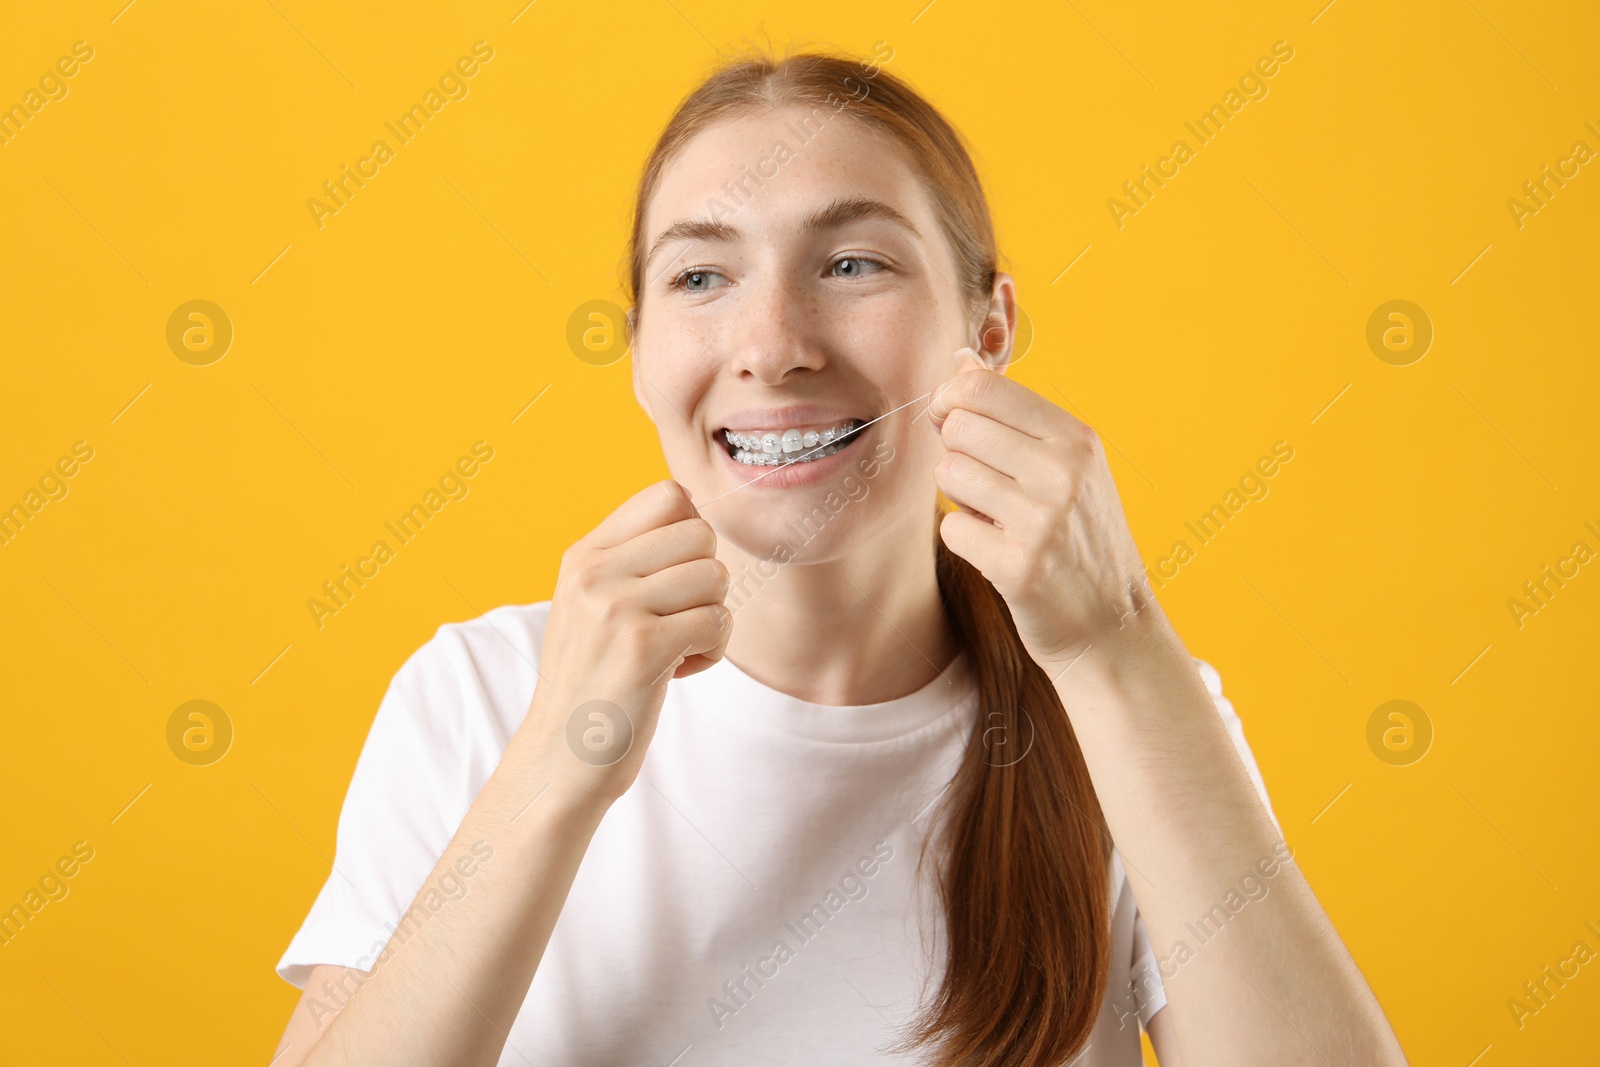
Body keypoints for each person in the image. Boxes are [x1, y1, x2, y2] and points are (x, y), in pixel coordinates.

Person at [271, 49, 1408, 1067]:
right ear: (637, 349)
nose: (772, 347)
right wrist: (557, 768)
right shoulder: (474, 697)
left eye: (854, 263)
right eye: (701, 277)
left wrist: (1120, 648)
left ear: (989, 331)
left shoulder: (1124, 705)